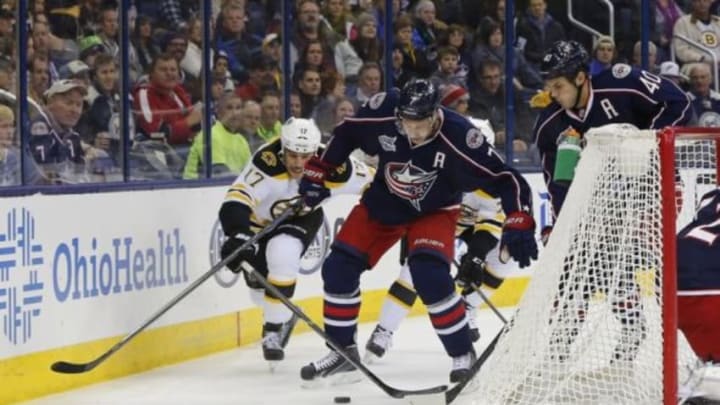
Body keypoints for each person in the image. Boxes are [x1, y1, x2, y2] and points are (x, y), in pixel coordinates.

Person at [297, 79, 537, 384]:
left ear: (435, 113)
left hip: (435, 211)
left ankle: (463, 354)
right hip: (385, 200)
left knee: (429, 276)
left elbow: (506, 179)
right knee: (338, 267)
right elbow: (347, 133)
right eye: (406, 124)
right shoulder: (385, 111)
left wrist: (518, 216)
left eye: (420, 125)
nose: (412, 133)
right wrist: (319, 170)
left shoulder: (461, 136)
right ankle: (342, 351)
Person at [533, 40, 691, 366]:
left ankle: (679, 342)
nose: (553, 95)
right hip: (601, 198)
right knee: (584, 262)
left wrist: (646, 142)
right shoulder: (551, 124)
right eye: (549, 87)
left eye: (559, 86)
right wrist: (563, 225)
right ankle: (574, 336)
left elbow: (678, 102)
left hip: (652, 189)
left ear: (580, 78)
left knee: (618, 259)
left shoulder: (621, 82)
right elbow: (557, 183)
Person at [218, 118, 373, 367]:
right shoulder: (266, 162)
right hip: (259, 224)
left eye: (305, 156)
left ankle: (272, 331)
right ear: (282, 150)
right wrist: (237, 233)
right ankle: (285, 317)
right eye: (292, 155)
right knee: (259, 289)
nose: (299, 163)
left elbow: (374, 181)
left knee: (283, 252)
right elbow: (237, 198)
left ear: (315, 151)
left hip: (303, 218)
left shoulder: (335, 164)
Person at [365, 187, 513, 362]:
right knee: (415, 272)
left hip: (474, 227)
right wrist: (408, 228)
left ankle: (468, 306)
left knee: (508, 255)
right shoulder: (435, 166)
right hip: (438, 222)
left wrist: (476, 255)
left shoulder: (485, 173)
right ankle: (384, 330)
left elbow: (492, 222)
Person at [677, 187, 720, 363]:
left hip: (675, 299)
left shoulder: (711, 195)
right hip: (712, 297)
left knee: (712, 360)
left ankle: (709, 370)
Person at [182, 93, 252, 179]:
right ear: (218, 112)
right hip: (196, 188)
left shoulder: (241, 140)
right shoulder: (211, 135)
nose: (235, 113)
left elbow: (250, 172)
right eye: (229, 108)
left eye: (238, 108)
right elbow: (219, 173)